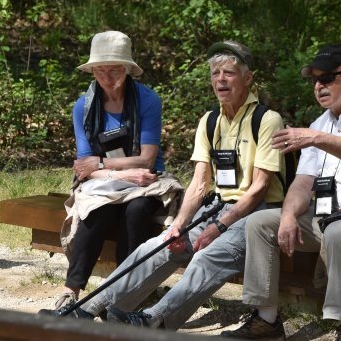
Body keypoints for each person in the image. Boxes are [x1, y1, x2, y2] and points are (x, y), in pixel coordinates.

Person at [42, 40, 285, 331]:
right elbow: (198, 183)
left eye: (229, 73)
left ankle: (153, 320)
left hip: (255, 214)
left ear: (248, 78)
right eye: (215, 73)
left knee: (207, 256)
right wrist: (179, 225)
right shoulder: (209, 121)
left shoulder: (267, 120)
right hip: (217, 207)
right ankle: (87, 308)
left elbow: (259, 187)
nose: (220, 79)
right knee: (159, 245)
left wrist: (219, 227)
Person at [221, 43, 341, 341]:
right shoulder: (321, 123)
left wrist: (315, 138)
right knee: (260, 223)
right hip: (330, 215)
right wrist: (288, 216)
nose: (318, 86)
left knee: (340, 232)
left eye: (327, 78)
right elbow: (303, 183)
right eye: (314, 79)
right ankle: (266, 319)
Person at [51, 30, 183, 313]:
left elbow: (147, 160)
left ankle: (125, 292)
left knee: (136, 212)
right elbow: (83, 168)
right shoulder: (83, 107)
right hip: (107, 182)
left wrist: (102, 164)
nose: (107, 77)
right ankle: (71, 289)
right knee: (95, 210)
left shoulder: (148, 100)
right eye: (100, 70)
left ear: (127, 70)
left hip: (146, 181)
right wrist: (119, 173)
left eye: (114, 70)